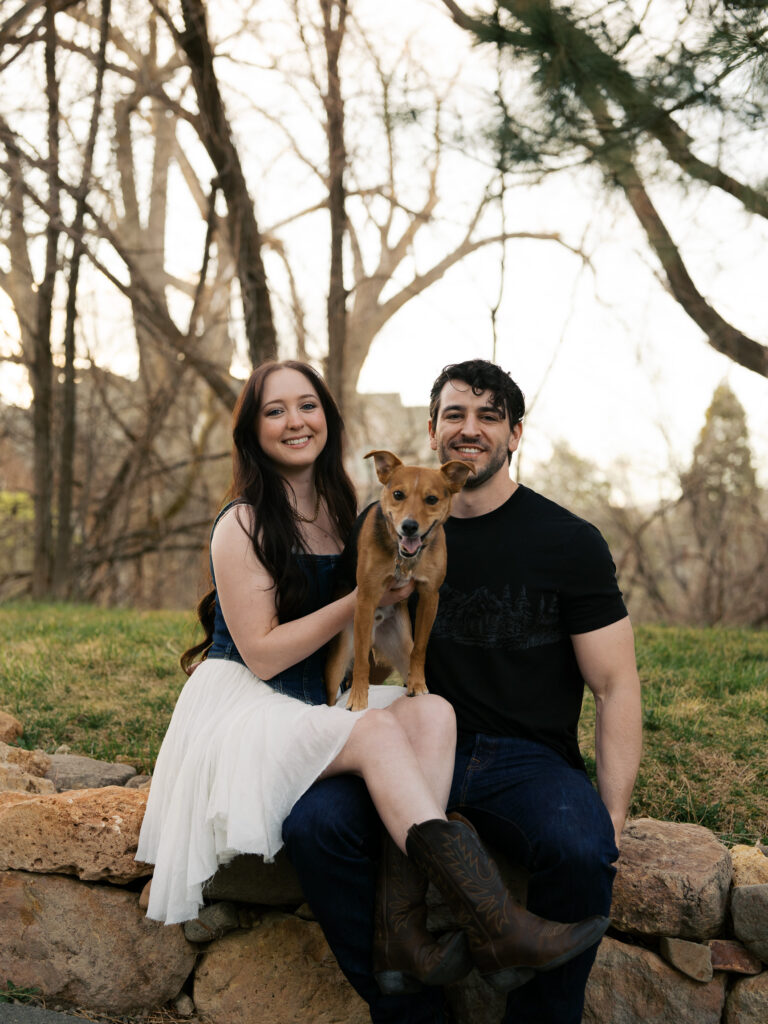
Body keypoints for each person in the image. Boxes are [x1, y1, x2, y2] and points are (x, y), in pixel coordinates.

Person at [136, 359, 604, 1006]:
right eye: (275, 411)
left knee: (435, 713)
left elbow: (376, 624)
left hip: (311, 702)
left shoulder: (342, 510)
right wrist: (367, 593)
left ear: (327, 418)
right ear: (251, 431)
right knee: (380, 729)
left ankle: (402, 925)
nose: (295, 420)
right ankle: (496, 922)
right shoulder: (241, 522)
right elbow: (267, 656)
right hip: (249, 704)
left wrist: (390, 619)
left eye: (308, 405)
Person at [282, 358, 643, 1024]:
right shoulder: (386, 522)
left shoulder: (568, 542)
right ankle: (412, 1015)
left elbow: (617, 684)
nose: (469, 429)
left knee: (581, 848)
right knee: (314, 828)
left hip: (523, 754)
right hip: (410, 742)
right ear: (431, 431)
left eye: (488, 415)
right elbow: (338, 616)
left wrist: (612, 814)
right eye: (454, 414)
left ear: (515, 434)